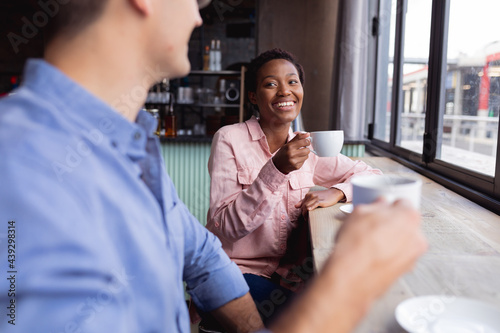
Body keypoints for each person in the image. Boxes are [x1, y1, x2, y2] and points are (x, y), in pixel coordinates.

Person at [0, 1, 426, 333]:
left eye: (293, 81)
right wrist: (346, 287)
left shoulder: (130, 142)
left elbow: (203, 256)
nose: (197, 17)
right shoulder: (22, 163)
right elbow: (221, 236)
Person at [206, 48, 382, 323]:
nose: (284, 91)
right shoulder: (229, 139)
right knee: (319, 317)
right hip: (235, 273)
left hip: (286, 279)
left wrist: (337, 192)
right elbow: (224, 228)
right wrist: (277, 169)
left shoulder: (307, 147)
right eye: (270, 84)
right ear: (253, 96)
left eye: (292, 82)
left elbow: (372, 174)